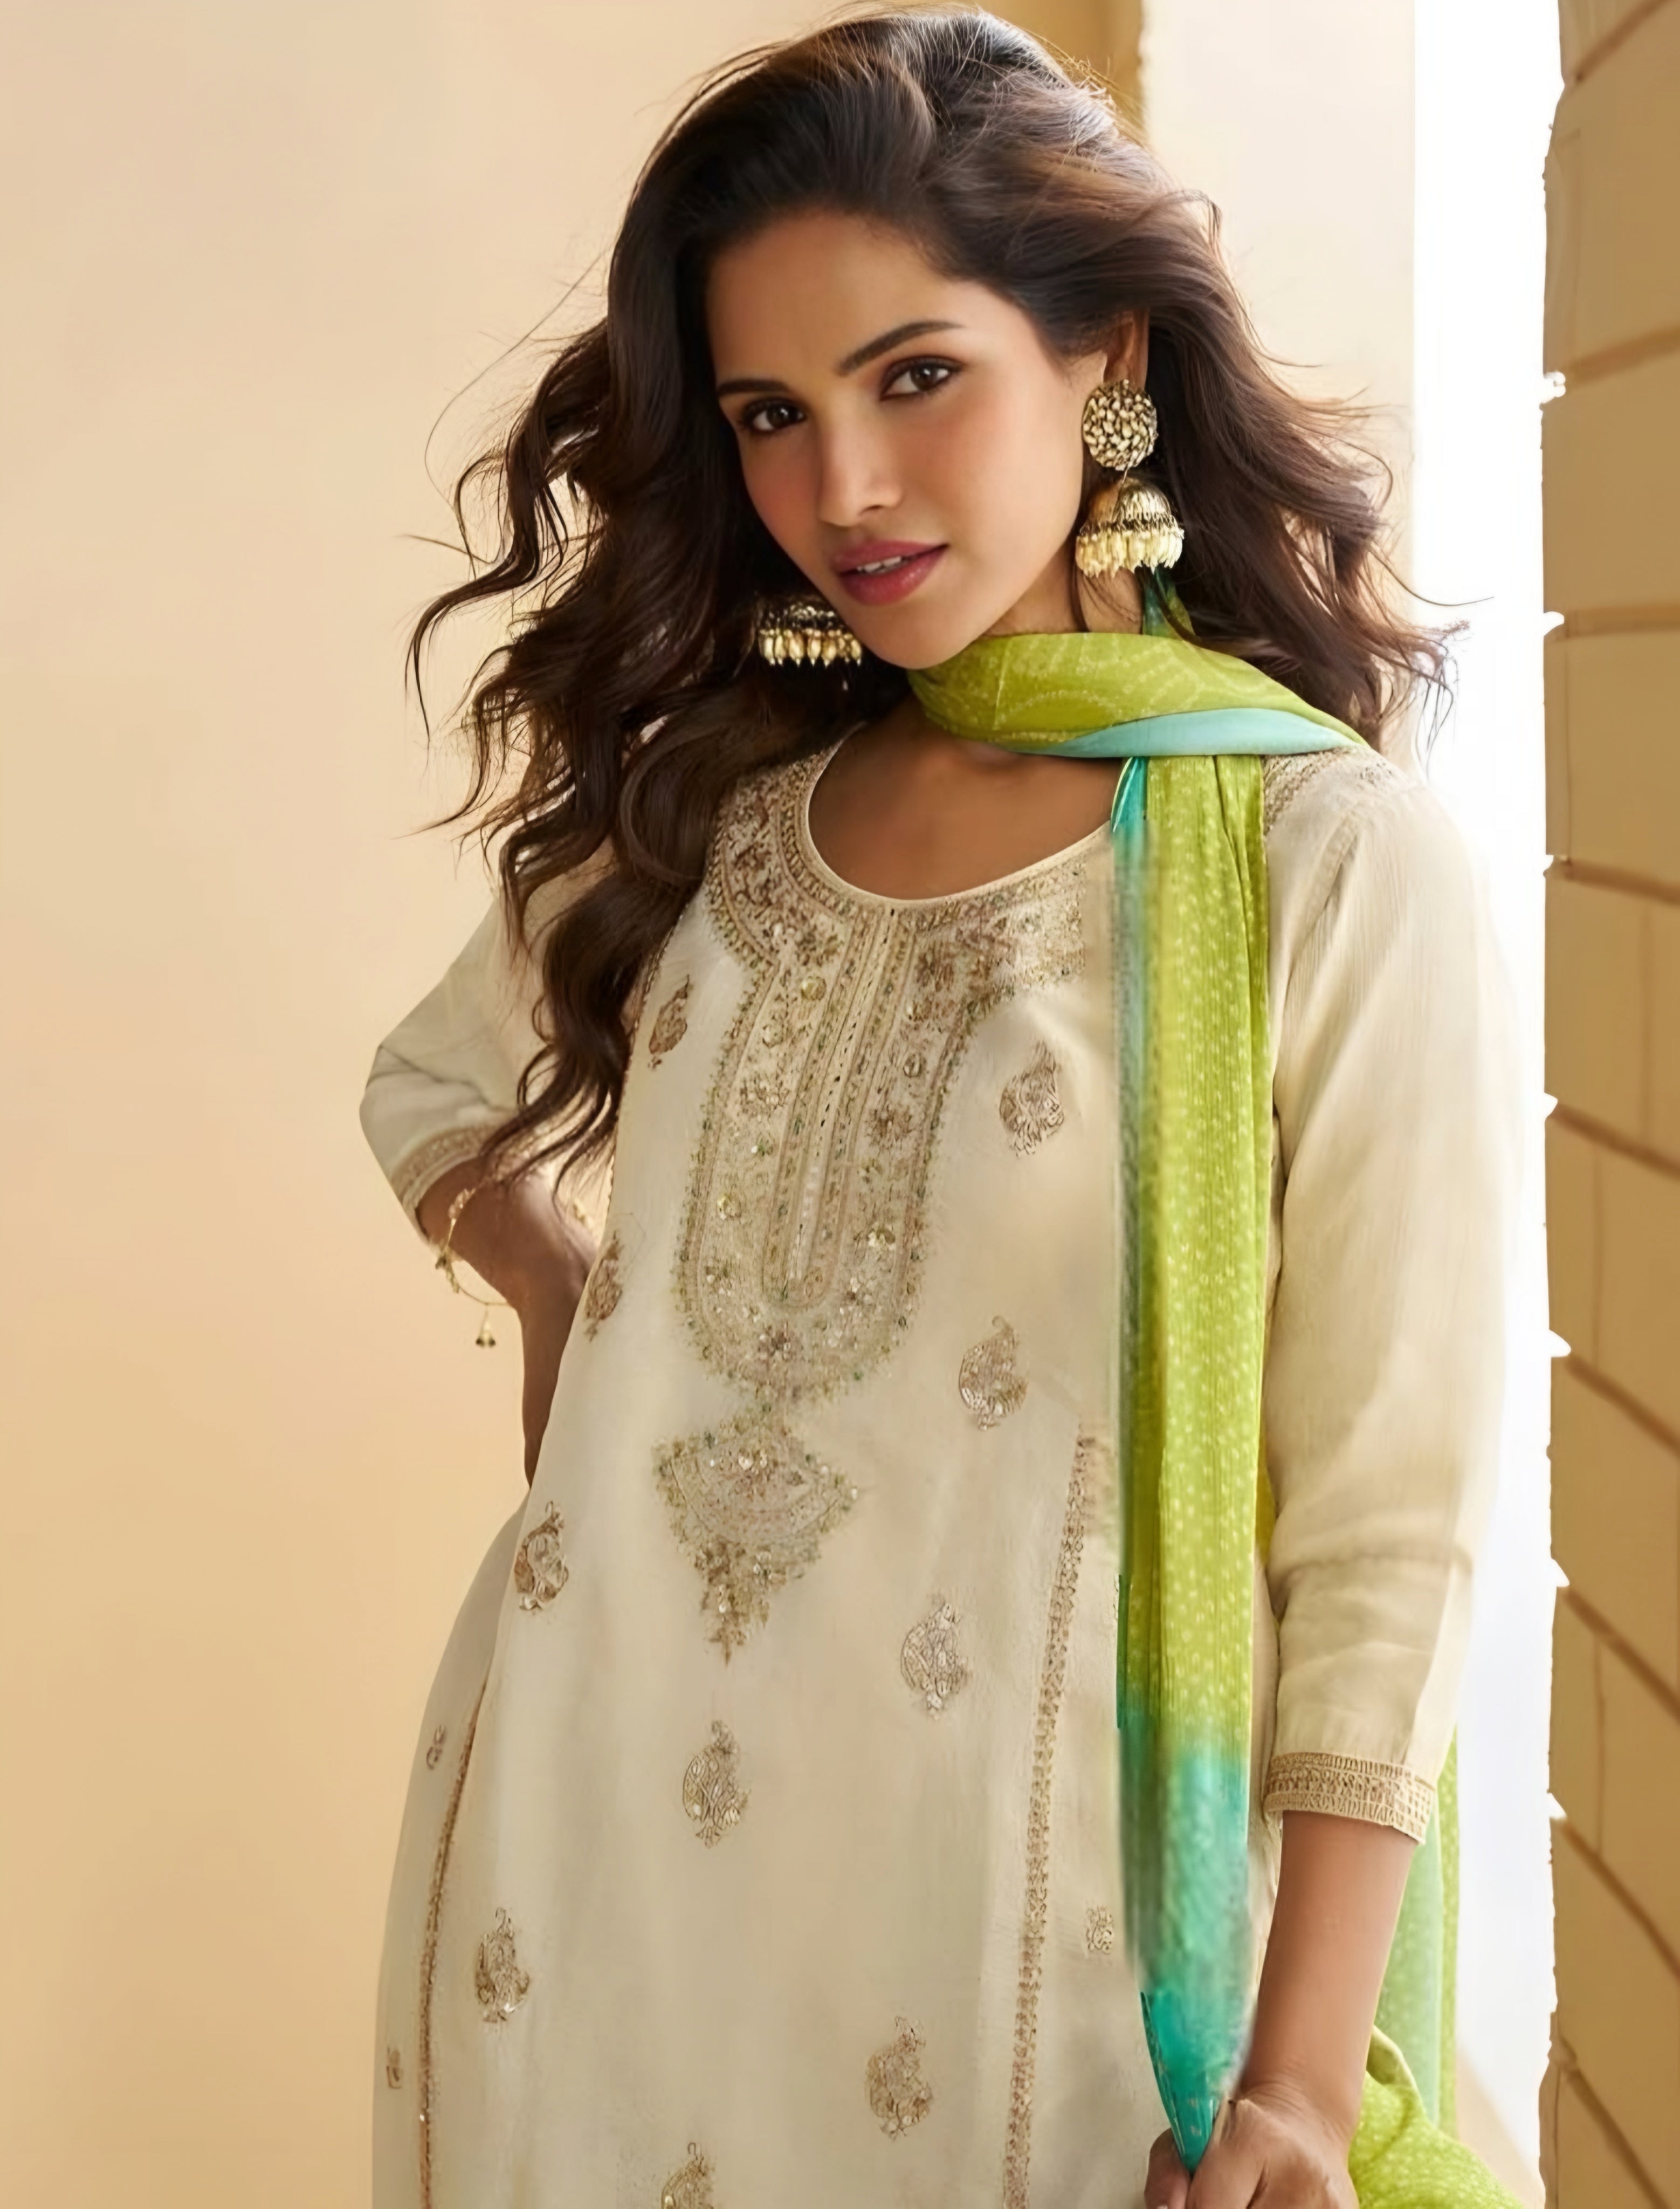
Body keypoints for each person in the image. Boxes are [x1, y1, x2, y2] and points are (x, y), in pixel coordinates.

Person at [358, 15, 1523, 2207]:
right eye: (767, 418)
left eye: (914, 379)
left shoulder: (1323, 864)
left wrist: (1287, 2092)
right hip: (581, 1899)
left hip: (1039, 1972)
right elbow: (431, 1086)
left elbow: (1387, 1524)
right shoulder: (721, 811)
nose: (845, 494)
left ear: (1102, 357)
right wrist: (557, 1287)